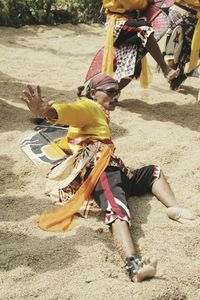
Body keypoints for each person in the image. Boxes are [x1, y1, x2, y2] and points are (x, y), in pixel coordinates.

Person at [21, 73, 195, 283]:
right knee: (117, 210)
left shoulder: (99, 114)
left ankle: (173, 207)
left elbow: (72, 138)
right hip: (103, 171)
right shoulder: (90, 107)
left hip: (119, 171)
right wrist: (49, 111)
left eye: (118, 92)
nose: (116, 96)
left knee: (153, 172)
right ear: (94, 93)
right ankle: (133, 265)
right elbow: (72, 111)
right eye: (111, 91)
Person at [101, 0, 179, 90]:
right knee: (144, 29)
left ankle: (111, 93)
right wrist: (147, 2)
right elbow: (132, 3)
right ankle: (165, 68)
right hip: (117, 22)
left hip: (128, 21)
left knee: (134, 67)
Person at [164, 0, 200, 90]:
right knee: (186, 50)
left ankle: (172, 73)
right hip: (193, 15)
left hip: (175, 10)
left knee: (174, 48)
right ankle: (176, 78)